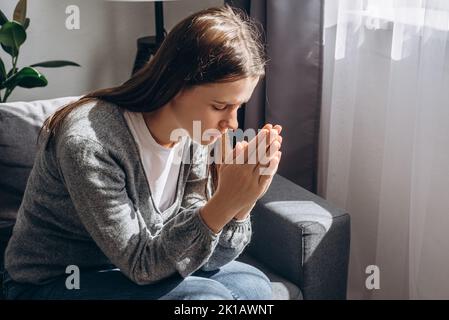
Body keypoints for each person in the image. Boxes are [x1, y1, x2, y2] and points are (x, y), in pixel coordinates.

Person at [2, 4, 283, 300]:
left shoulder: (194, 134)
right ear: (176, 84)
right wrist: (224, 202)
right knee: (203, 299)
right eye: (220, 106)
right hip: (53, 282)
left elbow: (197, 254)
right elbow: (142, 265)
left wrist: (243, 204)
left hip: (132, 270)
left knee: (254, 285)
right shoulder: (90, 143)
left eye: (238, 106)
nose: (232, 123)